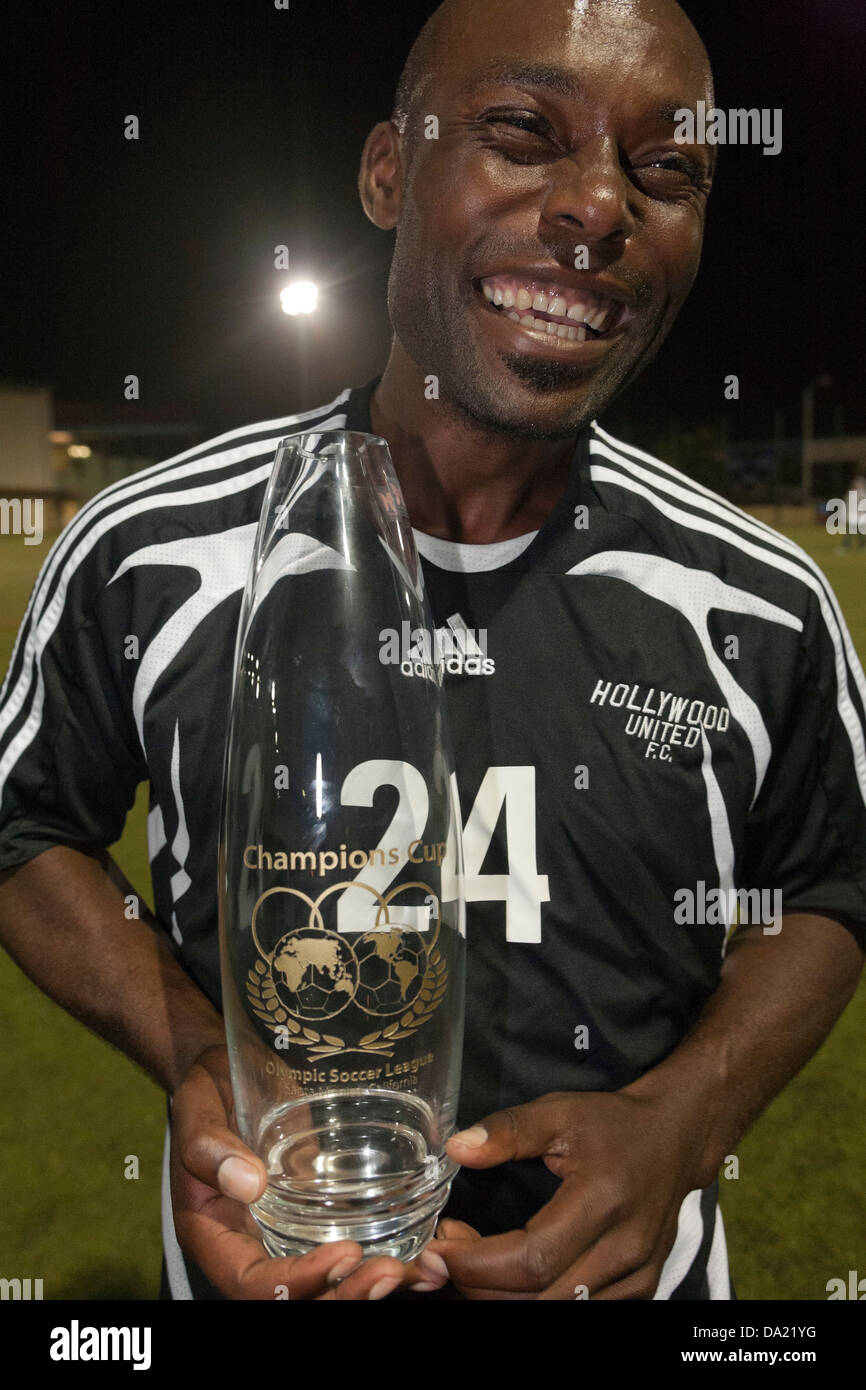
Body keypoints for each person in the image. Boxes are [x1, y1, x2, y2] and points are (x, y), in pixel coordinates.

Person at [1, 0, 864, 1302]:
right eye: (522, 131)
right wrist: (196, 1053)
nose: (597, 206)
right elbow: (24, 827)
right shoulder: (147, 550)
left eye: (666, 168)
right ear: (387, 168)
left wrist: (689, 1117)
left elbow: (837, 882)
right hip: (267, 1259)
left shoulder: (759, 598)